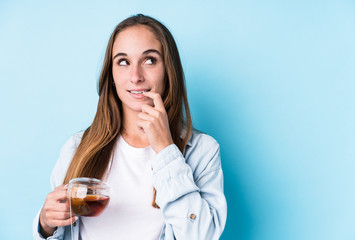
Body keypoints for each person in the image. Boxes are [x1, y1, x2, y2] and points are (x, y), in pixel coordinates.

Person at [33, 14, 227, 240]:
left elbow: (201, 236)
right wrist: (46, 224)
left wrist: (165, 150)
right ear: (112, 74)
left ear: (168, 70)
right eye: (123, 62)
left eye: (150, 60)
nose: (135, 76)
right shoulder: (77, 148)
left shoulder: (203, 150)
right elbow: (57, 230)